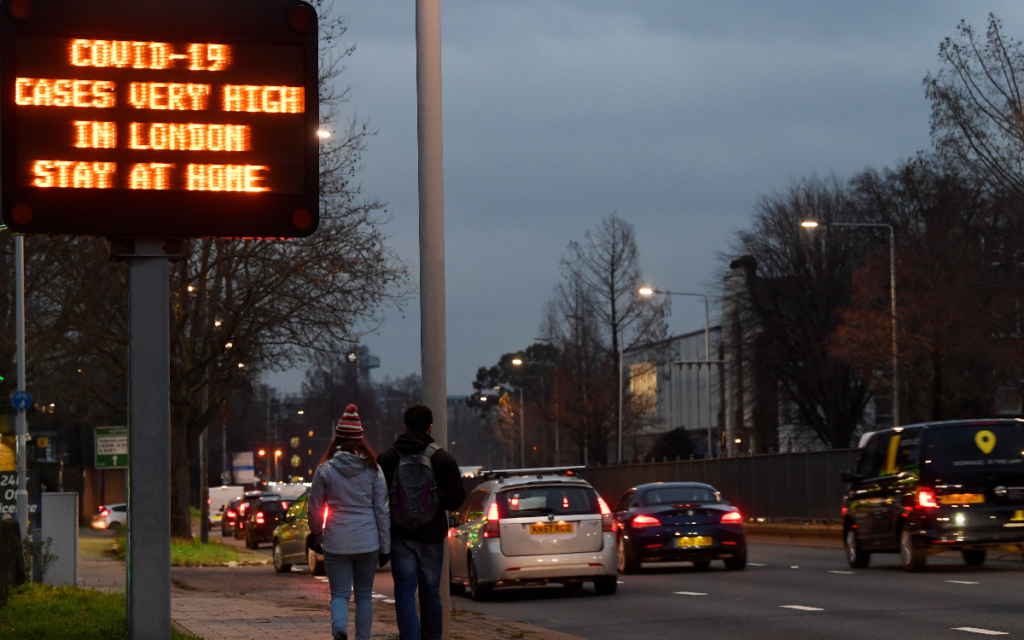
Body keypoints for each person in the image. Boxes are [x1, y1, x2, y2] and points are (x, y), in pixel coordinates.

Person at [378, 404, 466, 640]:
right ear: (430, 427)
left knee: (404, 592)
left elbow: (377, 501)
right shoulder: (442, 458)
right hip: (432, 536)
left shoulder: (387, 458)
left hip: (399, 536)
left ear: (405, 427)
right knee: (431, 593)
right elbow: (456, 499)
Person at [309, 404, 391, 640]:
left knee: (340, 594)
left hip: (336, 540)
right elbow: (382, 510)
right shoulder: (373, 470)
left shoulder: (324, 471)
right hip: (368, 541)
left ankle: (339, 629)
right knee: (365, 595)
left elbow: (315, 507)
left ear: (337, 439)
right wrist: (385, 546)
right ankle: (362, 638)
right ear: (360, 440)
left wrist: (317, 534)